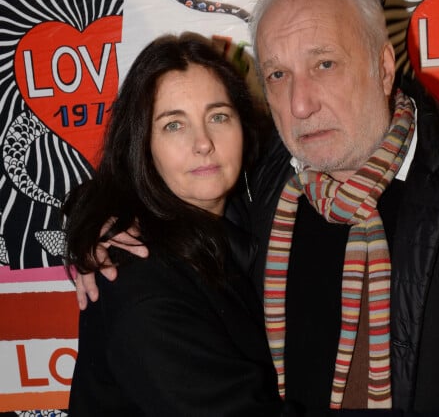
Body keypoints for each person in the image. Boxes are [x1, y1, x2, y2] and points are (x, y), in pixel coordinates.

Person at [76, 0, 439, 417]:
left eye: (324, 64)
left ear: (383, 67)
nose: (300, 104)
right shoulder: (257, 181)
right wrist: (92, 223)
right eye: (277, 74)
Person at [63, 32, 284, 416]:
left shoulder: (244, 221)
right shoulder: (140, 286)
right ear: (142, 144)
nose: (203, 143)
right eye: (173, 125)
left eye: (218, 116)